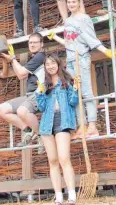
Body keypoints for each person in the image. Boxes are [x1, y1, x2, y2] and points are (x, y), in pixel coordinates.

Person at [48, 0, 116, 139]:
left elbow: (90, 38)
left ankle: (92, 125)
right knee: (76, 93)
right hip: (71, 60)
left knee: (86, 91)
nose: (71, 4)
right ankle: (82, 125)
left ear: (79, 3)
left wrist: (105, 51)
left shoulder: (85, 19)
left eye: (74, 2)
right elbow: (69, 43)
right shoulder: (67, 22)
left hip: (82, 58)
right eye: (69, 2)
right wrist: (55, 37)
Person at [36, 53, 80, 205]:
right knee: (53, 161)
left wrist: (75, 89)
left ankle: (72, 195)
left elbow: (73, 102)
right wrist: (39, 92)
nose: (50, 66)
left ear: (58, 64)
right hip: (47, 124)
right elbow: (41, 107)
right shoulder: (45, 83)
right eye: (47, 64)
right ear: (45, 67)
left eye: (53, 63)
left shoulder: (66, 81)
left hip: (63, 121)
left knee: (64, 158)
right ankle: (58, 196)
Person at [0, 34, 45, 148]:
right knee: (1, 109)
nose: (32, 44)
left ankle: (41, 135)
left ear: (42, 44)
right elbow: (20, 75)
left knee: (21, 111)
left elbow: (21, 73)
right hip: (29, 96)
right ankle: (28, 129)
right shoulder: (34, 57)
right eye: (30, 43)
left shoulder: (41, 56)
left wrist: (12, 59)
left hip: (39, 94)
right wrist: (12, 59)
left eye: (35, 42)